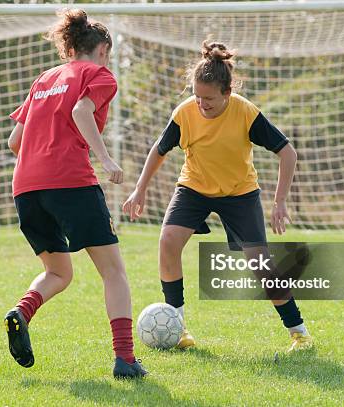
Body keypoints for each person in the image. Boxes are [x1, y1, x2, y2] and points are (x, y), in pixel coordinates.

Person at [123, 40, 313, 353]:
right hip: (193, 189)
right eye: (197, 96)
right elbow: (159, 150)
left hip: (240, 193)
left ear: (227, 93)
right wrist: (140, 189)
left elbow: (287, 153)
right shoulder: (185, 113)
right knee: (168, 242)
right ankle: (179, 327)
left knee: (261, 265)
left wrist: (280, 202)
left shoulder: (245, 112)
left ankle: (300, 333)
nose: (201, 104)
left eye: (209, 98)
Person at [4, 9, 147, 379]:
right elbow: (83, 110)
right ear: (102, 49)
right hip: (69, 182)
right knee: (113, 271)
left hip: (26, 188)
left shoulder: (44, 79)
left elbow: (14, 141)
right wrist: (106, 159)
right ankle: (126, 359)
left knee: (58, 272)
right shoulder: (99, 74)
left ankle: (21, 312)